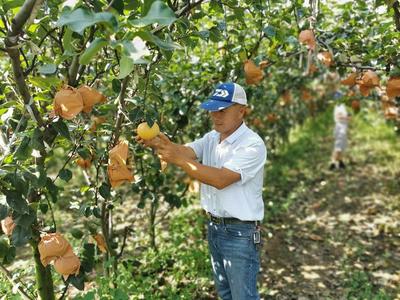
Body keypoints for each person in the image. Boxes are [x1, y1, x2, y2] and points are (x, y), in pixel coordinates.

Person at [137, 82, 267, 299]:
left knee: (243, 296)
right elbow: (186, 152)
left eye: (222, 110)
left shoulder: (252, 145)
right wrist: (159, 144)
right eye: (213, 110)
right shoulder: (212, 138)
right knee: (225, 293)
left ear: (241, 111)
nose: (216, 115)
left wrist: (176, 159)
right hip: (215, 228)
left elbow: (221, 179)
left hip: (239, 234)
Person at [330, 93, 350, 170]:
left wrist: (347, 117)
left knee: (341, 147)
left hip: (342, 128)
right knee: (338, 147)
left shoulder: (341, 106)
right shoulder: (339, 107)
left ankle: (340, 162)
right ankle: (333, 163)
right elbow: (339, 117)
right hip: (340, 128)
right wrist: (347, 117)